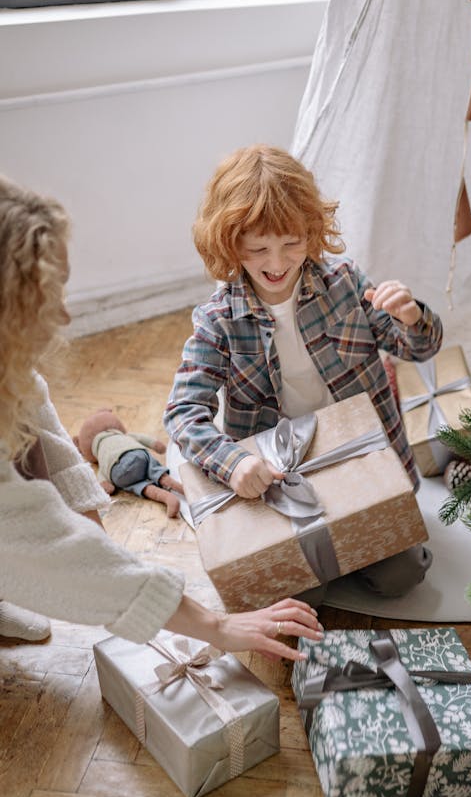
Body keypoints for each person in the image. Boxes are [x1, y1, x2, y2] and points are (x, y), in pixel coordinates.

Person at [0, 175, 322, 659]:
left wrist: (107, 561)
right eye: (51, 295)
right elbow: (33, 536)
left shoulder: (12, 369)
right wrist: (214, 625)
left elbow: (48, 446)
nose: (66, 317)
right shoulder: (219, 319)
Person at [164, 144, 443, 597]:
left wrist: (412, 318)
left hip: (361, 464)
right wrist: (233, 462)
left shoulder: (345, 281)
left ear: (311, 232)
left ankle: (353, 546)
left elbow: (420, 348)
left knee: (402, 578)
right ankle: (334, 551)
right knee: (304, 593)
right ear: (231, 243)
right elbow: (181, 413)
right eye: (258, 249)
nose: (277, 263)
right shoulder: (218, 320)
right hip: (278, 483)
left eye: (291, 244)